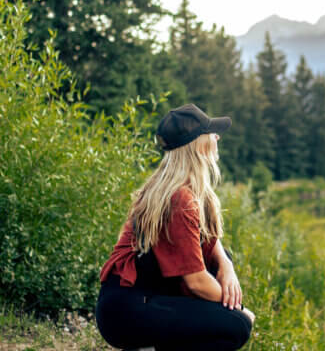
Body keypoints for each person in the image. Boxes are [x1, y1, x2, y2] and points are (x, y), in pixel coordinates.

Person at [95, 103, 255, 351]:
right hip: (126, 311)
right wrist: (240, 309)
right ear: (198, 144)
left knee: (220, 260)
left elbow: (210, 241)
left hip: (137, 301)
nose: (217, 137)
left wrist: (227, 266)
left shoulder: (179, 190)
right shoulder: (179, 199)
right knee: (236, 325)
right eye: (212, 132)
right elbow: (196, 283)